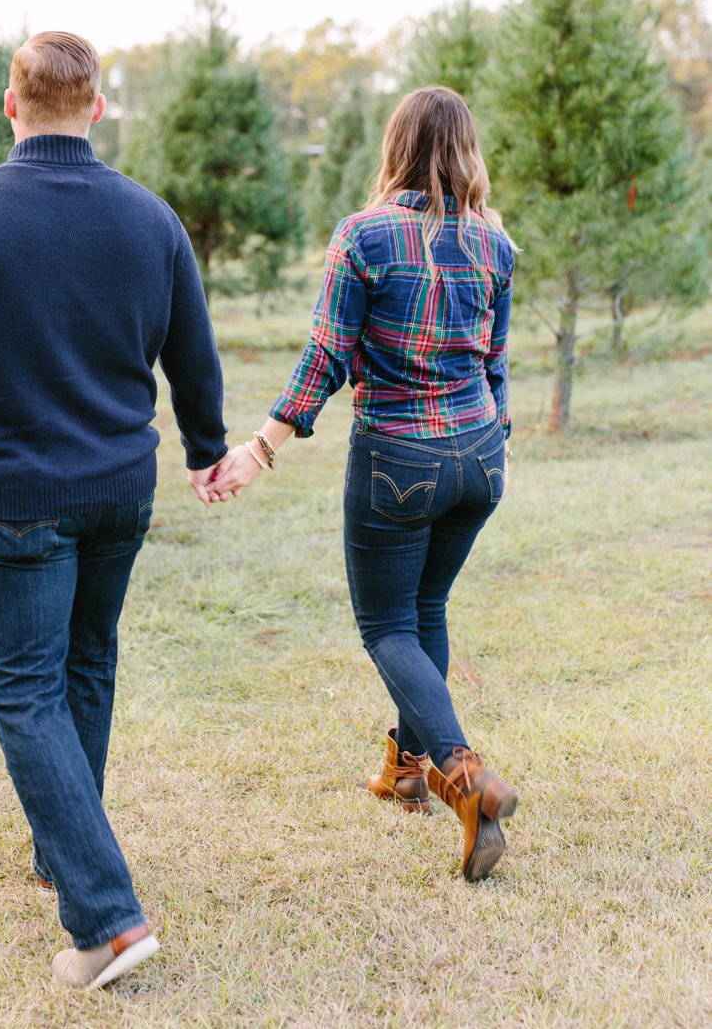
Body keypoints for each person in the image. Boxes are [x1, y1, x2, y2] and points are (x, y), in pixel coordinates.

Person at [0, 31, 230, 989]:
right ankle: (63, 851)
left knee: (27, 691)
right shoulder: (151, 220)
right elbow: (194, 355)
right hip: (120, 492)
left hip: (19, 499)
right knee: (86, 663)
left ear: (10, 106)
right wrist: (207, 449)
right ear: (96, 108)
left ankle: (107, 919)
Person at [212, 85, 519, 882]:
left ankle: (462, 772)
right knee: (425, 610)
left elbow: (327, 359)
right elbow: (495, 364)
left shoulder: (364, 236)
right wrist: (499, 444)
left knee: (387, 625)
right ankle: (406, 772)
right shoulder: (496, 244)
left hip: (399, 460)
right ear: (467, 151)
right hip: (479, 457)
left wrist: (260, 448)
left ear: (396, 147)